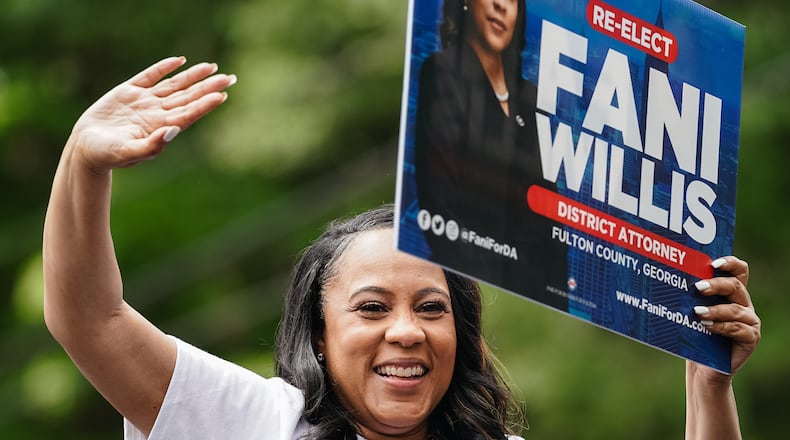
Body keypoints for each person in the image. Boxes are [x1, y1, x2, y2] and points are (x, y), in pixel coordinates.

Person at [42, 56, 761, 439]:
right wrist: (83, 162)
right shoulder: (250, 422)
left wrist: (707, 384)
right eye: (371, 306)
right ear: (319, 335)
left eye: (431, 306)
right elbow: (92, 321)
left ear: (463, 334)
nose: (408, 330)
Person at [412, 0, 568, 310]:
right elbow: (439, 200)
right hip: (469, 291)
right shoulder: (442, 71)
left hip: (538, 296)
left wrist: (553, 294)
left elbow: (550, 213)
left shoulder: (530, 96)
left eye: (512, 0)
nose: (501, 6)